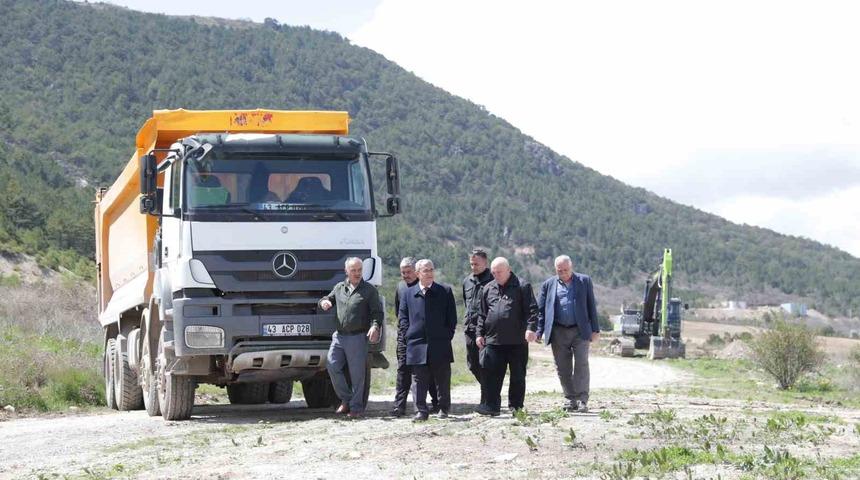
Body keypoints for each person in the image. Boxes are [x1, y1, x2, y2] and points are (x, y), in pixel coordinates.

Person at [319, 257, 382, 419]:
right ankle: (347, 399)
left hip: (357, 337)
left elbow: (377, 312)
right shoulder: (339, 287)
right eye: (353, 270)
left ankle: (356, 408)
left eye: (359, 270)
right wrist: (324, 302)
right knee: (332, 365)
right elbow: (327, 299)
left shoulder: (369, 290)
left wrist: (375, 326)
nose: (357, 273)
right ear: (346, 271)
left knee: (357, 376)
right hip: (339, 337)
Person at [535, 255, 600, 412]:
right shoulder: (548, 285)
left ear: (571, 267)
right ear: (555, 269)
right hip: (558, 331)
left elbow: (591, 306)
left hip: (580, 330)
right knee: (562, 368)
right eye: (560, 270)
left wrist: (595, 329)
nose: (563, 273)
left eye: (566, 270)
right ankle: (570, 399)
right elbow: (541, 311)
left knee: (581, 364)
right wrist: (539, 330)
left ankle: (582, 399)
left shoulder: (584, 281)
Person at [475, 257, 538, 416]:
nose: (496, 275)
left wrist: (531, 329)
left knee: (517, 376)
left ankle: (516, 407)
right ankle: (492, 406)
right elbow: (482, 314)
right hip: (493, 340)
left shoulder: (522, 286)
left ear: (508, 270)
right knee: (492, 376)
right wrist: (479, 334)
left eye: (499, 272)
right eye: (494, 272)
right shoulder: (488, 288)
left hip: (517, 341)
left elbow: (532, 310)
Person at [399, 259, 457, 421]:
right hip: (416, 344)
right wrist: (409, 334)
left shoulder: (444, 291)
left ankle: (443, 408)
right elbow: (403, 318)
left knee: (442, 378)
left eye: (431, 269)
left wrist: (446, 336)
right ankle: (421, 411)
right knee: (418, 380)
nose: (430, 273)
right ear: (418, 274)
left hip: (440, 343)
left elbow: (451, 319)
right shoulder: (408, 293)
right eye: (426, 270)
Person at [391, 257, 439, 417]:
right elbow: (400, 313)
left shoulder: (425, 288)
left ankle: (435, 403)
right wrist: (404, 334)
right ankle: (399, 406)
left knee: (428, 372)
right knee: (403, 371)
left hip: (423, 340)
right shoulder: (400, 287)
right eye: (403, 273)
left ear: (417, 272)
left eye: (409, 272)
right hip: (405, 338)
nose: (405, 275)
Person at [462, 248, 493, 405]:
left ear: (485, 263)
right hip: (470, 328)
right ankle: (490, 391)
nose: (473, 267)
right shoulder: (467, 281)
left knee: (484, 365)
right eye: (471, 264)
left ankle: (487, 398)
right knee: (472, 365)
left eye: (477, 264)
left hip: (486, 330)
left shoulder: (492, 280)